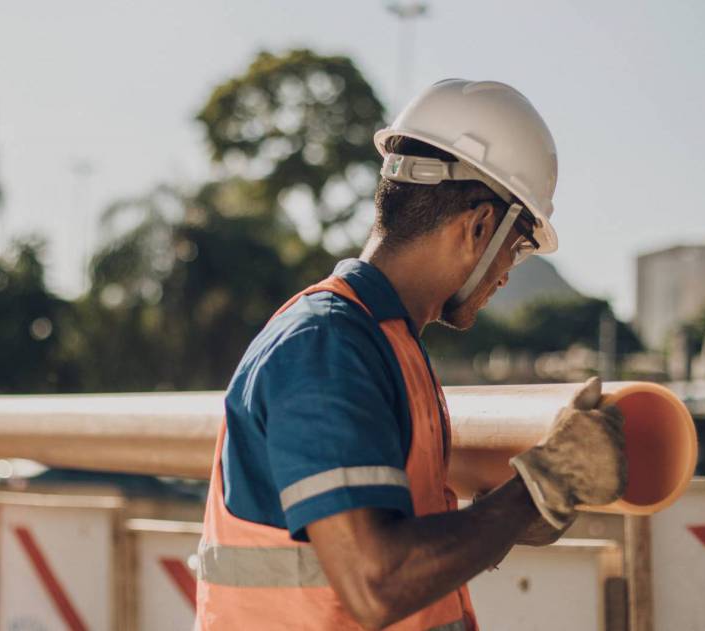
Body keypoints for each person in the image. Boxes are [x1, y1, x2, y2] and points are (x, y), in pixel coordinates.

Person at [195, 79, 628, 630]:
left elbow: (402, 540)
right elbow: (377, 582)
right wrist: (537, 491)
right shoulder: (325, 347)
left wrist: (503, 522)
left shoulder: (386, 345)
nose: (506, 275)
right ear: (478, 227)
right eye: (517, 248)